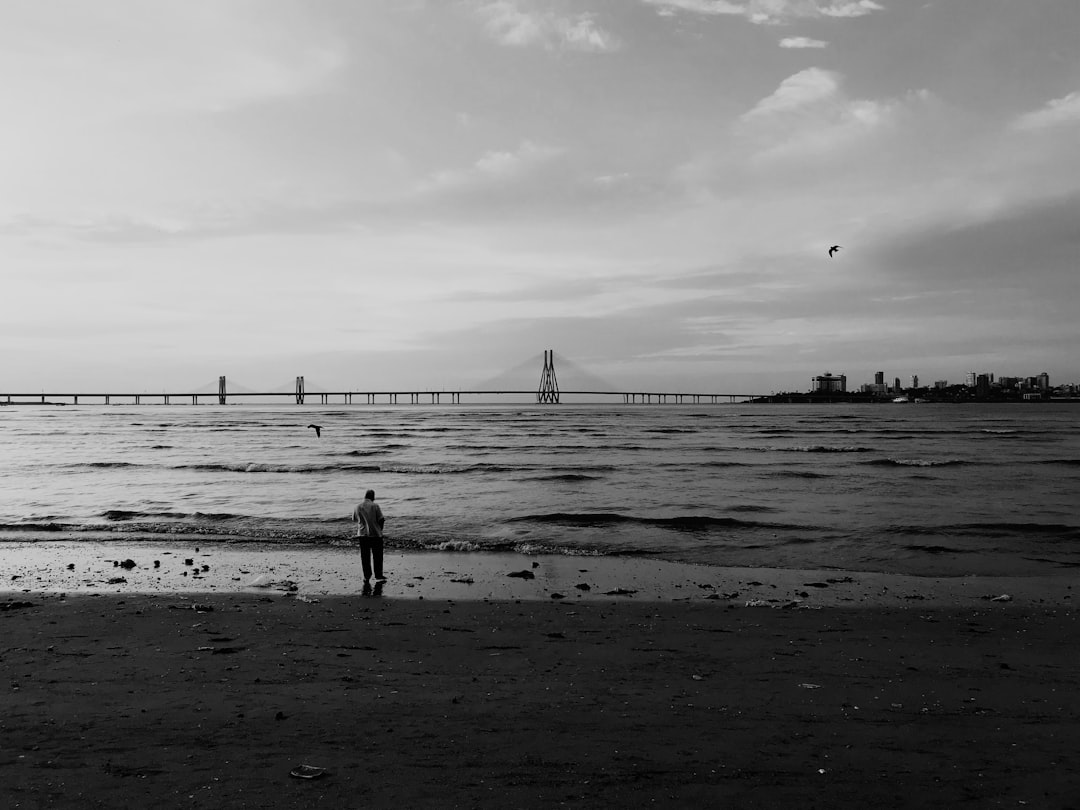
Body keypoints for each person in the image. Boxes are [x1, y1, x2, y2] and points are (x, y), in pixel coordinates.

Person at [353, 489, 386, 582]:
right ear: (373, 497)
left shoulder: (358, 506)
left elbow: (354, 519)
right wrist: (380, 529)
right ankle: (378, 575)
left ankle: (367, 575)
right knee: (377, 555)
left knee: (365, 556)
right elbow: (381, 519)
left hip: (362, 534)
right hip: (375, 534)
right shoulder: (375, 506)